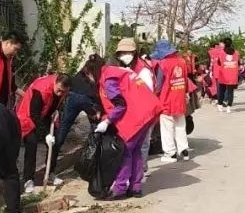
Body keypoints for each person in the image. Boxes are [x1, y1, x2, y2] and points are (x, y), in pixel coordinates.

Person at [97, 58, 161, 199]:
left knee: (125, 152)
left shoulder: (109, 78)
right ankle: (135, 187)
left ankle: (120, 189)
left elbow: (120, 104)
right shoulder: (124, 72)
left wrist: (107, 121)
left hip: (137, 116)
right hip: (148, 112)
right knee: (135, 151)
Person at [48, 54, 104, 181]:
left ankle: (51, 170)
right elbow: (90, 96)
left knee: (62, 133)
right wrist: (95, 112)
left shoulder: (86, 70)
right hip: (83, 99)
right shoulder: (95, 72)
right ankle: (93, 165)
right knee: (97, 131)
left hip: (76, 97)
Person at [15, 71, 71, 192]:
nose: (60, 93)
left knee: (55, 143)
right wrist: (45, 134)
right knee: (31, 143)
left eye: (63, 91)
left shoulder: (62, 89)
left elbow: (55, 102)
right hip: (27, 116)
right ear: (55, 82)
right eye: (59, 90)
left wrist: (56, 111)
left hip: (45, 114)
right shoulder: (40, 89)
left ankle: (50, 173)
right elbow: (34, 114)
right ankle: (28, 180)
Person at [153, 40, 191, 162]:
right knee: (180, 125)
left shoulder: (163, 64)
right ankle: (184, 150)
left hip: (166, 100)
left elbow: (158, 85)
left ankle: (170, 153)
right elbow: (185, 80)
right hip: (180, 98)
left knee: (167, 128)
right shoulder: (182, 61)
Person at [215, 37, 240, 112]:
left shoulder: (221, 52)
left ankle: (220, 105)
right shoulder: (236, 53)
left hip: (224, 75)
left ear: (224, 44)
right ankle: (229, 107)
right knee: (230, 91)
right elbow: (238, 63)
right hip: (232, 75)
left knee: (221, 90)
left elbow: (219, 62)